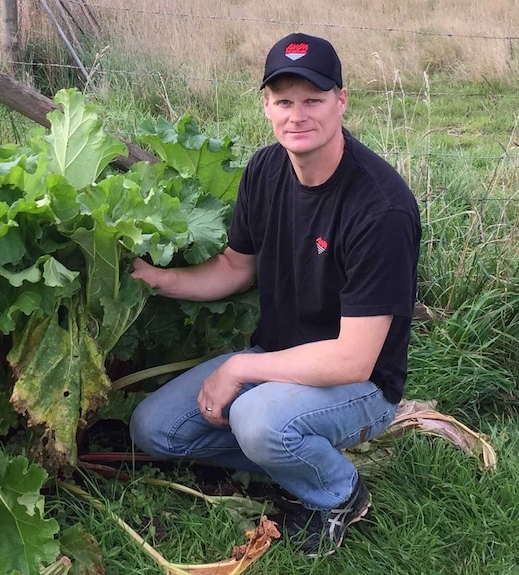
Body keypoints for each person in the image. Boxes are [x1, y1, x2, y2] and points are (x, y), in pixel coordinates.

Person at [129, 32, 421, 556]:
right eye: (284, 101)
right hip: (278, 357)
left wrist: (239, 369)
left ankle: (339, 493)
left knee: (257, 418)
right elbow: (235, 267)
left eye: (313, 100)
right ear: (266, 105)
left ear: (341, 101)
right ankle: (294, 460)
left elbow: (354, 359)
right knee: (155, 430)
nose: (297, 115)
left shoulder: (380, 209)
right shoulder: (265, 170)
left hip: (362, 386)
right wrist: (159, 279)